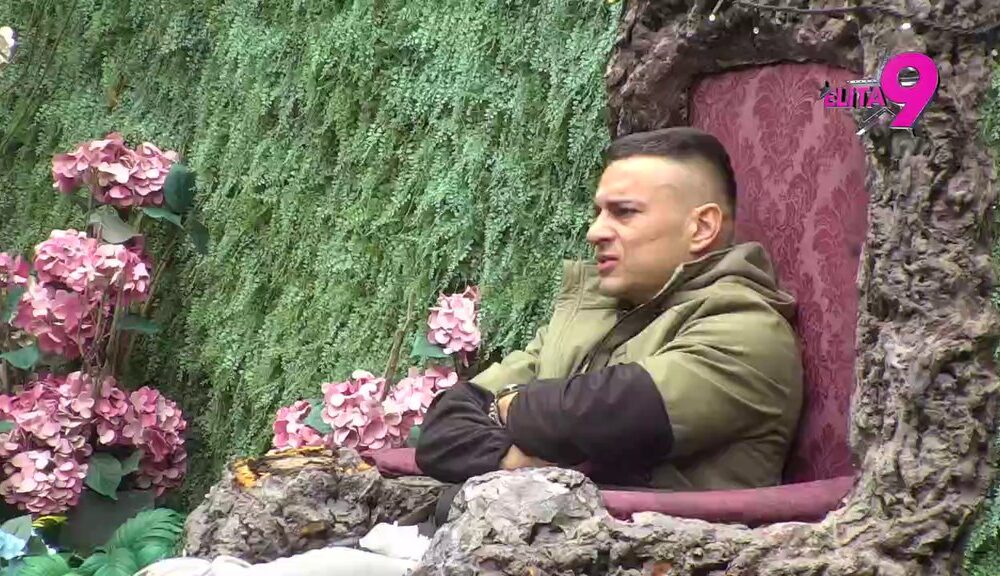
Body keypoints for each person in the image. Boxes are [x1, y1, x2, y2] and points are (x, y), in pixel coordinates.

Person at [416, 127, 804, 492]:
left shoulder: (748, 331)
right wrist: (512, 460)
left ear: (701, 227)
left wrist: (505, 403)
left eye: (624, 212)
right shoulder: (586, 318)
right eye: (599, 212)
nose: (595, 232)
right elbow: (443, 427)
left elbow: (607, 416)